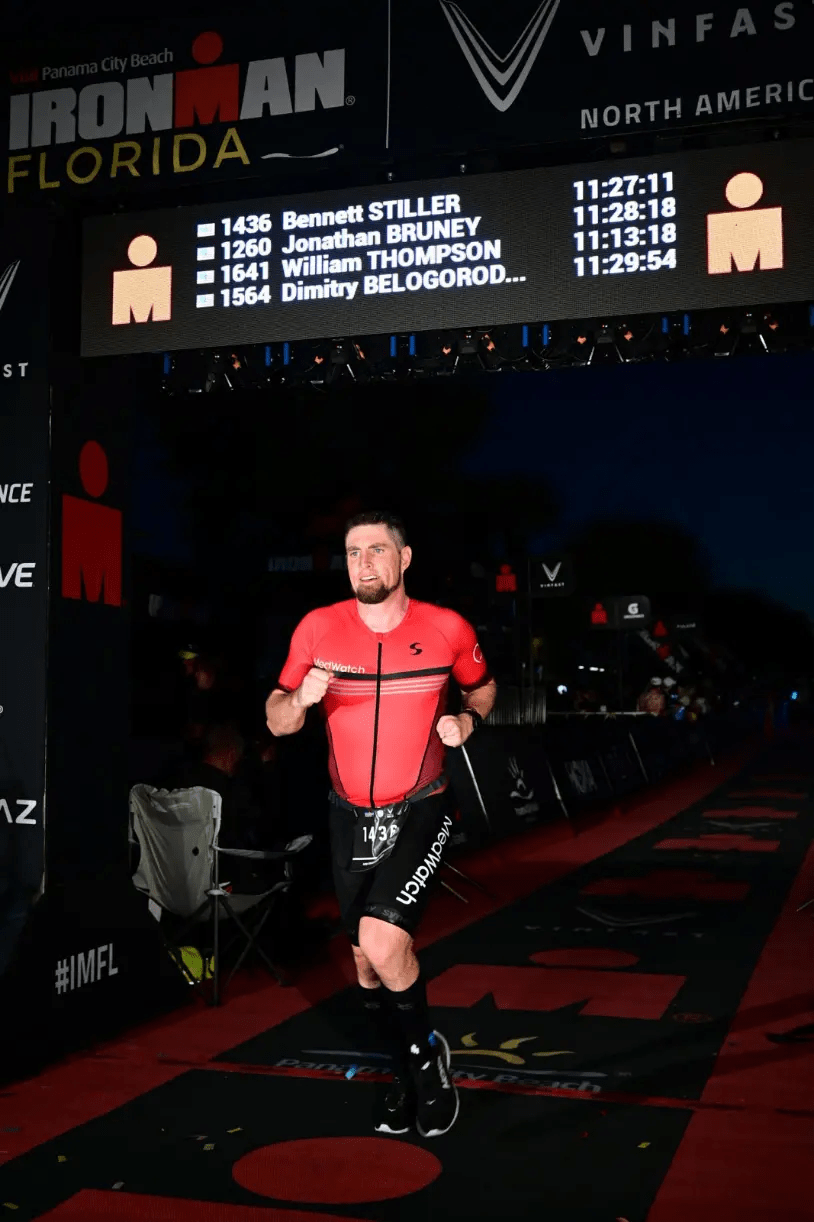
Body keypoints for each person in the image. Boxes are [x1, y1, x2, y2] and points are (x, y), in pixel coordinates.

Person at [265, 511, 496, 1139]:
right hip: (348, 818)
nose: (362, 562)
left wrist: (468, 721)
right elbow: (276, 721)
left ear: (405, 558)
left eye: (375, 550)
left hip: (423, 804)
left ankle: (426, 1066)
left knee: (387, 942)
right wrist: (299, 700)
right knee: (367, 961)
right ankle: (401, 1065)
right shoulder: (318, 629)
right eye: (351, 552)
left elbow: (483, 688)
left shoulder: (446, 628)